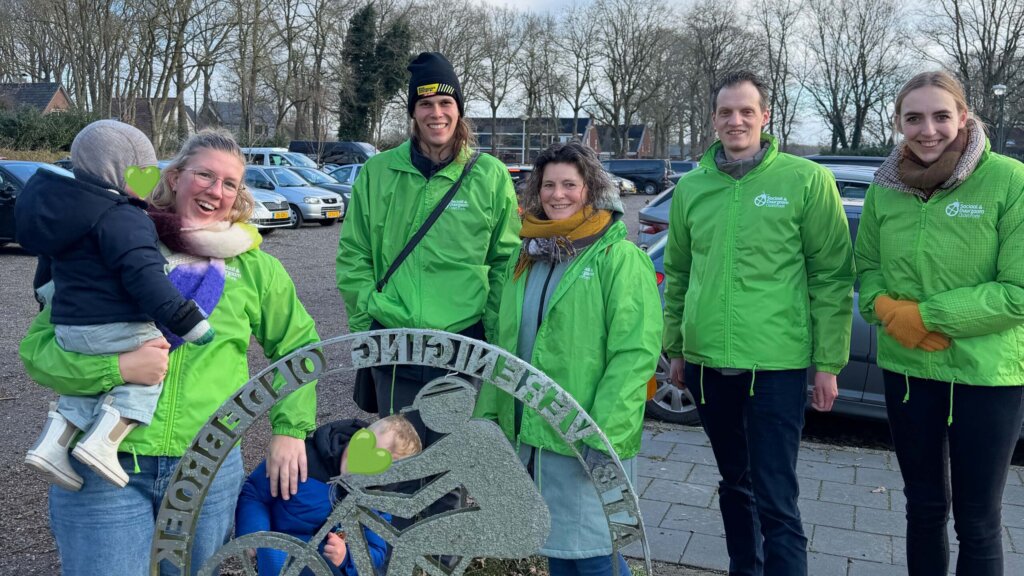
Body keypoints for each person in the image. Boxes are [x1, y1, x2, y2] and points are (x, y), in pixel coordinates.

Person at [18, 128, 318, 576]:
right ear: (175, 177)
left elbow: (299, 346)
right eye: (204, 175)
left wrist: (291, 428)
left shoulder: (255, 267)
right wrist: (114, 368)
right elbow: (39, 349)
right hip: (102, 464)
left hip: (207, 467)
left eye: (230, 183)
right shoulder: (111, 239)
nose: (216, 191)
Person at [662, 70, 855, 576]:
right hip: (707, 365)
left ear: (765, 116)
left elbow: (832, 277)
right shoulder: (692, 188)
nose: (736, 120)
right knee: (733, 485)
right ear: (713, 120)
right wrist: (677, 346)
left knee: (775, 494)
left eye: (747, 110)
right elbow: (679, 272)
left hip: (776, 367)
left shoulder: (805, 180)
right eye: (726, 112)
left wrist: (828, 363)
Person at [855, 71, 1024, 576]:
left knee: (978, 519)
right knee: (924, 508)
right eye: (914, 118)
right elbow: (866, 271)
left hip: (987, 377)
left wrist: (925, 316)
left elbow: (1018, 293)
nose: (928, 129)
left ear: (963, 117)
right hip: (909, 373)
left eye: (941, 116)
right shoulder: (886, 189)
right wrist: (886, 310)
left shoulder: (1009, 181)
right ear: (899, 124)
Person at [473, 141, 663, 576]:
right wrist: (490, 418)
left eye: (569, 185)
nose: (557, 195)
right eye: (548, 185)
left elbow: (634, 354)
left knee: (595, 553)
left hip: (584, 437)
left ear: (590, 189)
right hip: (533, 435)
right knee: (558, 550)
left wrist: (600, 437)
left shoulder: (619, 258)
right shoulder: (527, 259)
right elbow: (505, 347)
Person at [17, 120, 216, 491]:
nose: (147, 181)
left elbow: (47, 278)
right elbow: (145, 277)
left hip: (70, 323)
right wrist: (185, 321)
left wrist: (50, 302)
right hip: (113, 324)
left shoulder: (71, 217)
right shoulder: (124, 217)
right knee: (150, 367)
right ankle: (103, 443)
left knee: (82, 391)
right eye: (142, 171)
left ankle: (53, 443)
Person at [335, 51, 520, 447]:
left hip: (461, 344)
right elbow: (354, 253)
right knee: (396, 462)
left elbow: (506, 261)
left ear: (459, 109)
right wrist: (368, 320)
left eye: (445, 103)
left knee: (451, 464)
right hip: (395, 339)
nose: (436, 113)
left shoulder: (490, 176)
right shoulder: (378, 171)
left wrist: (491, 332)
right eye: (425, 104)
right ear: (413, 112)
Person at [235, 415, 422, 576]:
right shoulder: (302, 459)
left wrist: (346, 557)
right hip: (282, 551)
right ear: (359, 436)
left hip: (326, 564)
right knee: (274, 552)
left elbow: (376, 551)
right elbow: (255, 494)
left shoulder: (376, 497)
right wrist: (254, 533)